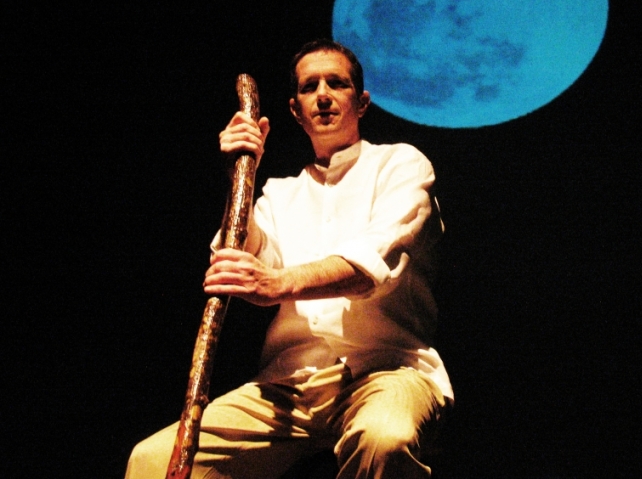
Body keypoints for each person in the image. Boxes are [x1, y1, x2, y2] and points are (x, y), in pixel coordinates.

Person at [126, 40, 452, 478]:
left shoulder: (401, 165)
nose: (322, 94)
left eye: (337, 83)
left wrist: (278, 284)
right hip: (288, 384)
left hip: (388, 367)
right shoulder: (279, 193)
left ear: (362, 101)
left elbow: (376, 263)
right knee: (151, 461)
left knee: (384, 438)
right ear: (295, 111)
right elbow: (242, 254)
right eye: (309, 86)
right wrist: (239, 173)